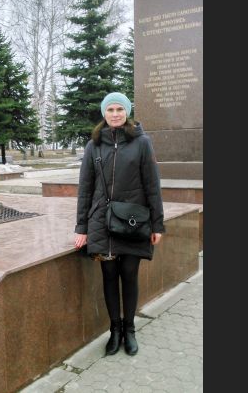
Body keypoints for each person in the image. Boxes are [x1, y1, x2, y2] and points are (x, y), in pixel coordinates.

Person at [74, 92, 165, 356]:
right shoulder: (93, 146)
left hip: (133, 222)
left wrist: (157, 225)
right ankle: (115, 330)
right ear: (104, 113)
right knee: (109, 275)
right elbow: (85, 189)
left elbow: (152, 185)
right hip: (102, 222)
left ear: (127, 112)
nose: (115, 114)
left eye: (120, 109)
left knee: (129, 274)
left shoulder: (142, 143)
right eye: (110, 109)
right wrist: (82, 228)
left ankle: (130, 330)